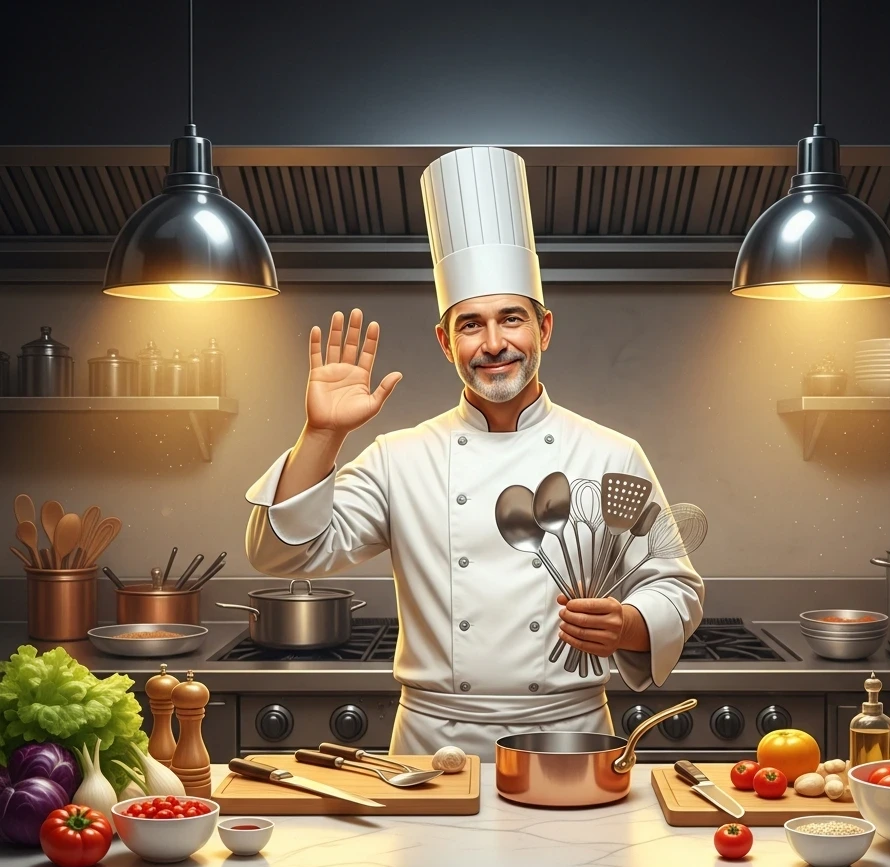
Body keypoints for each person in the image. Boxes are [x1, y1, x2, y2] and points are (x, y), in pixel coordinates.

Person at [245, 146, 704, 759]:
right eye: (470, 325)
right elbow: (278, 553)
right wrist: (322, 435)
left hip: (569, 737)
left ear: (543, 329)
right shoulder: (399, 458)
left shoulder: (611, 454)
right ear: (444, 341)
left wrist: (628, 624)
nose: (494, 344)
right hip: (433, 745)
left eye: (511, 319)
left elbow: (676, 587)